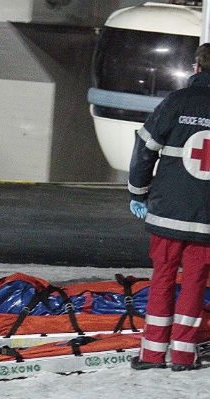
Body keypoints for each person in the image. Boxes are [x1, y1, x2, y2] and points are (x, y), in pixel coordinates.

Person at [128, 43, 210, 372]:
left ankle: (151, 355)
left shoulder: (176, 102)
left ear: (196, 68)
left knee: (162, 279)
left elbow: (145, 148)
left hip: (167, 212)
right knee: (195, 282)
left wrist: (137, 192)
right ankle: (183, 356)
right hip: (206, 220)